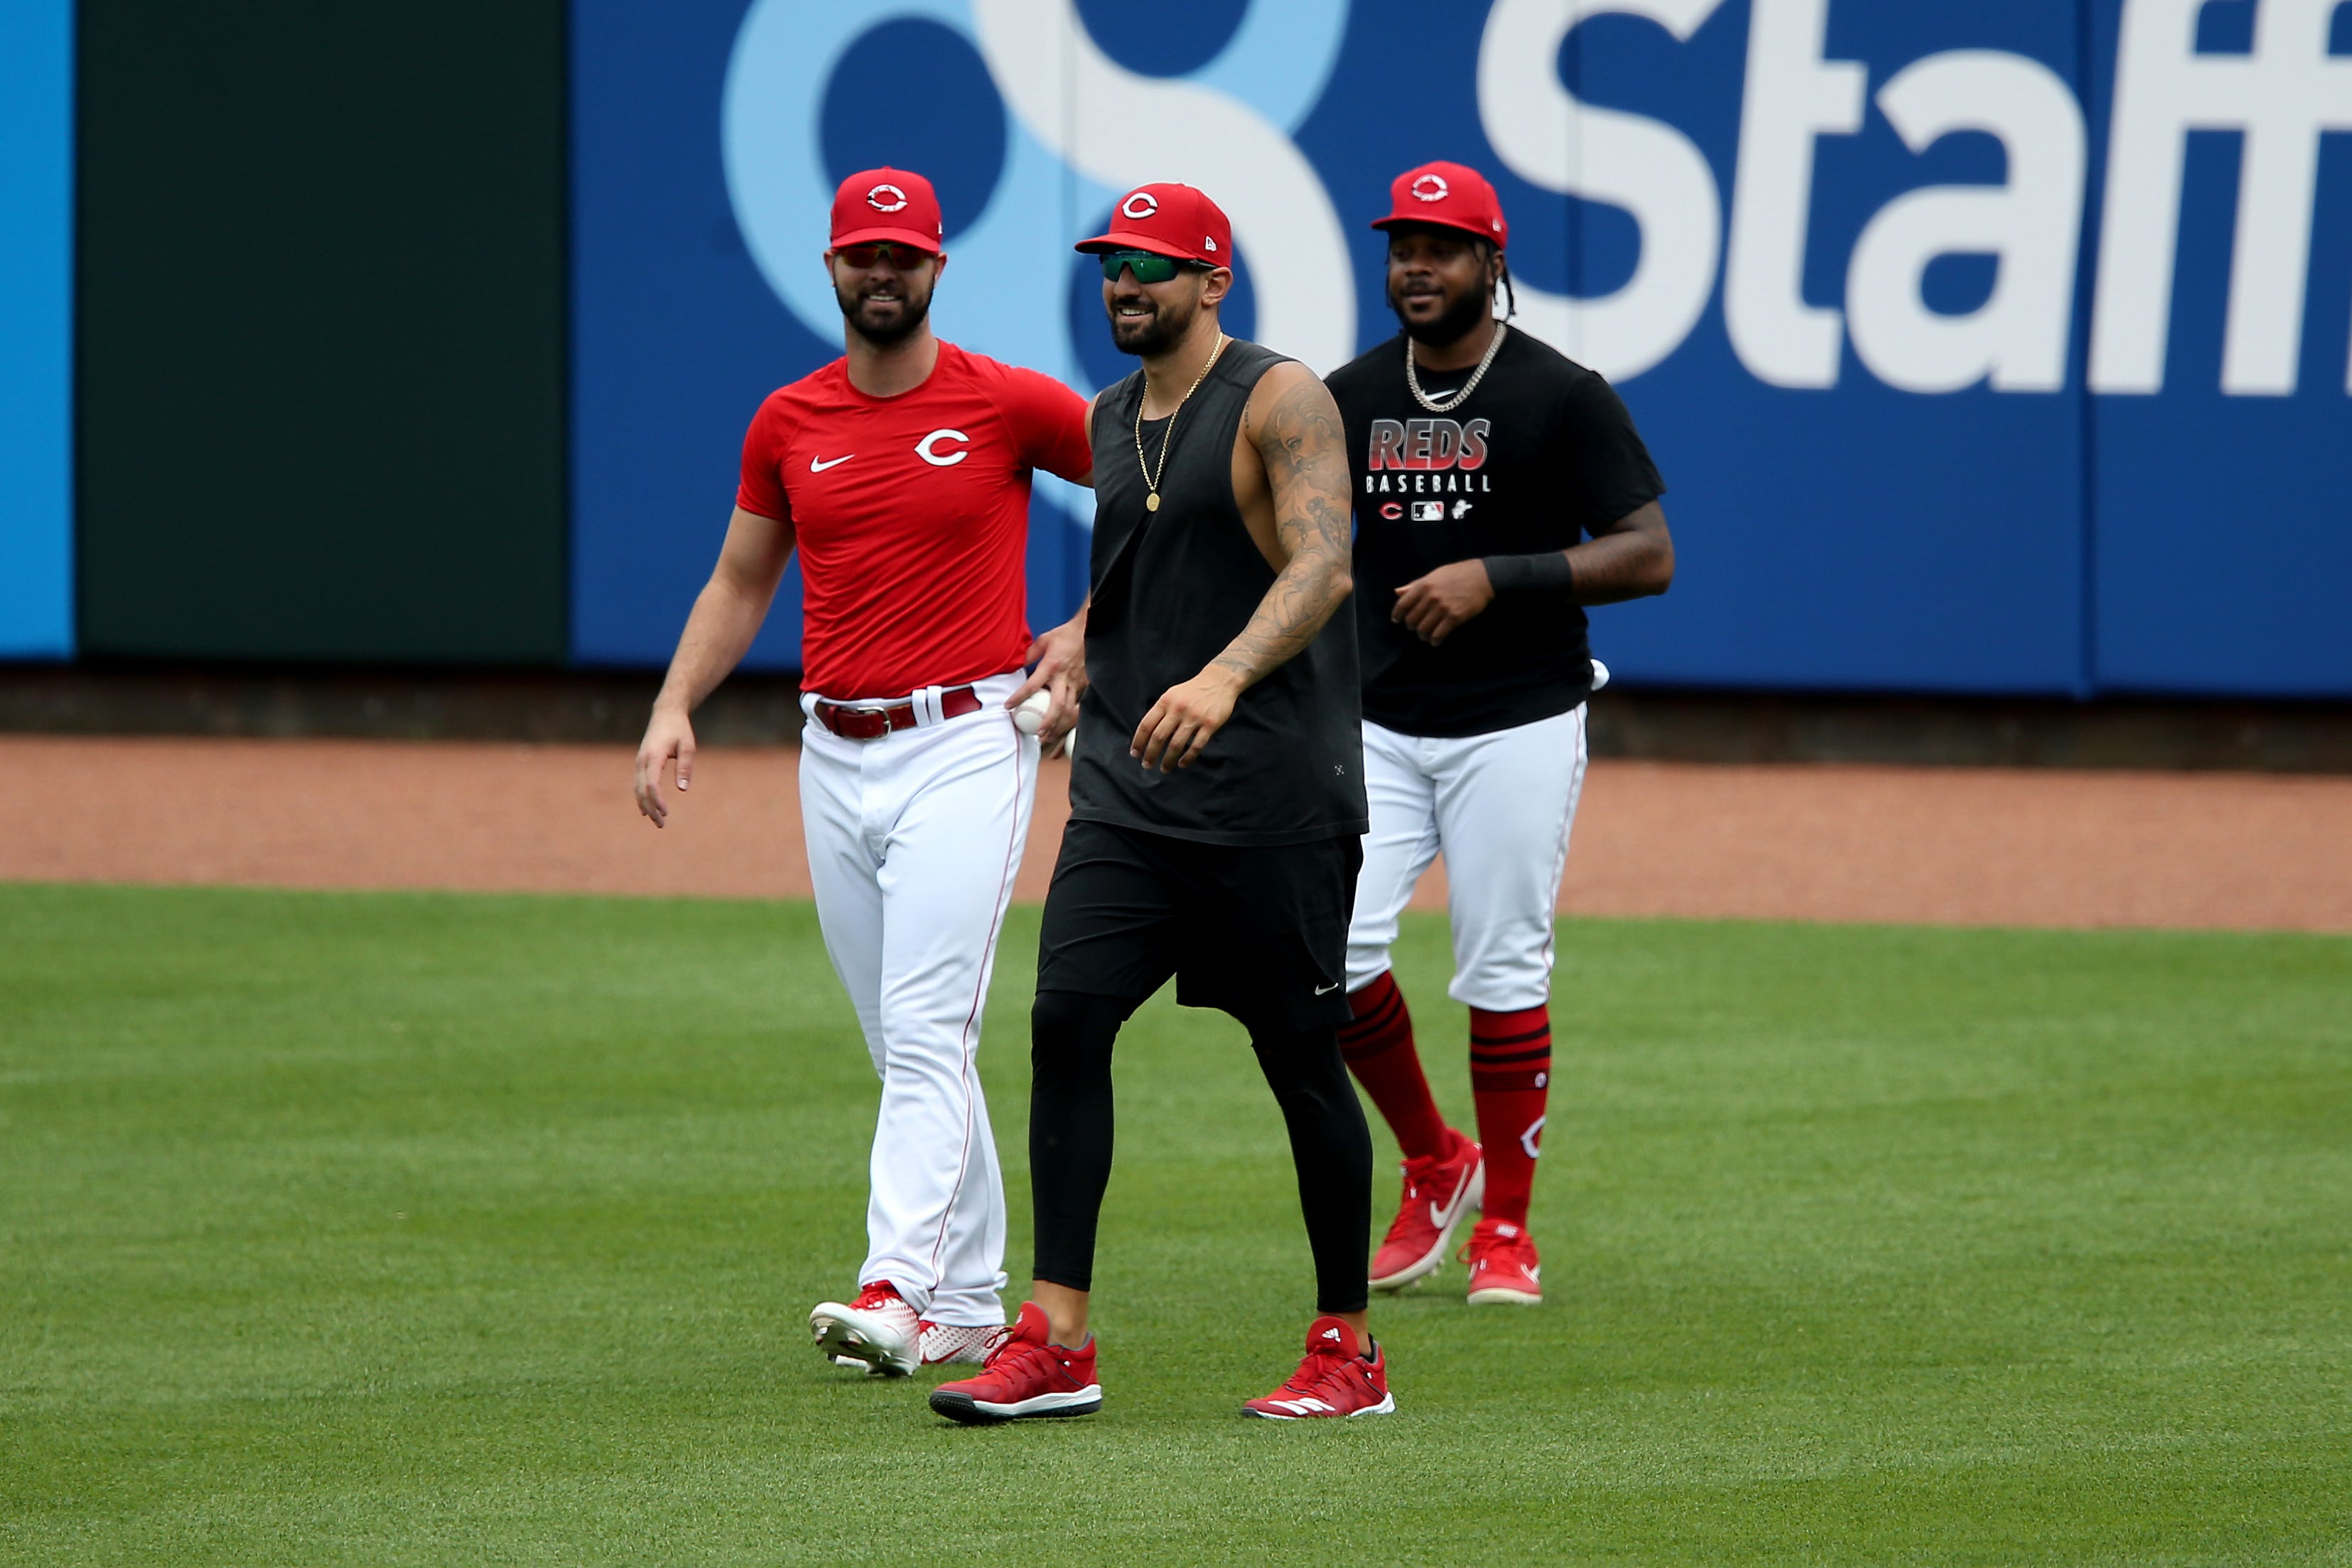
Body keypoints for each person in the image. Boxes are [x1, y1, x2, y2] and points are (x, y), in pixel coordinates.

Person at [929, 183, 1389, 1424]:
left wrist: (1227, 674)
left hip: (1271, 796)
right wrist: (1083, 639)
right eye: (1109, 268)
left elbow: (1324, 563)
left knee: (1300, 1059)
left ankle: (1346, 1350)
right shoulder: (1110, 413)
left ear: (1210, 280)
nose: (1123, 287)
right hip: (1131, 787)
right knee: (1066, 1021)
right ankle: (1057, 1338)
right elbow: (1143, 574)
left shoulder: (1280, 396)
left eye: (1147, 267)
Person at [632, 167, 1094, 1378]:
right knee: (904, 1047)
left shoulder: (1005, 402)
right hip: (831, 750)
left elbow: (1163, 486)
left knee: (929, 1030)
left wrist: (1097, 624)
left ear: (938, 267)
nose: (880, 273)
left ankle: (895, 1287)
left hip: (966, 739)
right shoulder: (789, 420)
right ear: (830, 268)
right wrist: (678, 702)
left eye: (902, 256)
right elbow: (741, 581)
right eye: (861, 255)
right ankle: (973, 1300)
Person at [1321, 161, 1675, 1306]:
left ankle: (1506, 1232)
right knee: (1322, 959)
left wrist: (1496, 576)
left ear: (1492, 262)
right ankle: (1435, 1159)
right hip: (1377, 719)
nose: (1415, 266)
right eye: (1400, 247)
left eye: (1441, 246)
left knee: (1502, 966)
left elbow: (1647, 552)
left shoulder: (1560, 394)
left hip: (1516, 718)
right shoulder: (1347, 394)